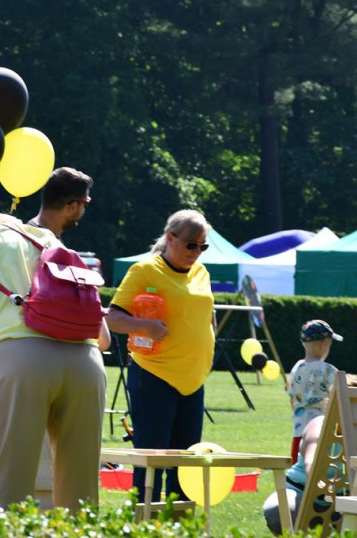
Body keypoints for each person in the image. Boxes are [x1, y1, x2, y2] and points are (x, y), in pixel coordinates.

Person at [0, 212, 109, 508]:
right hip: (87, 364)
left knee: (9, 489)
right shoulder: (53, 243)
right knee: (81, 497)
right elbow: (103, 338)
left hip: (21, 360)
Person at [106, 209, 216, 502]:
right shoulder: (144, 270)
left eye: (202, 246)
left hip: (193, 381)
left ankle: (180, 523)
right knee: (152, 458)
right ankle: (144, 521)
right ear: (170, 238)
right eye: (191, 244)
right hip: (154, 376)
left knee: (187, 461)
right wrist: (144, 325)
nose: (196, 252)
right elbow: (112, 318)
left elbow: (206, 315)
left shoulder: (202, 272)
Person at [287, 320, 347, 463]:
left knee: (298, 469)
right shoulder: (328, 370)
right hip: (321, 432)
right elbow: (339, 398)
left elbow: (292, 399)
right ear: (323, 344)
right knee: (320, 468)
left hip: (299, 430)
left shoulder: (296, 368)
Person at [27, 167, 93, 239]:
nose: (84, 209)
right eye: (85, 204)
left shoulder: (23, 235)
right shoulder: (51, 244)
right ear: (72, 207)